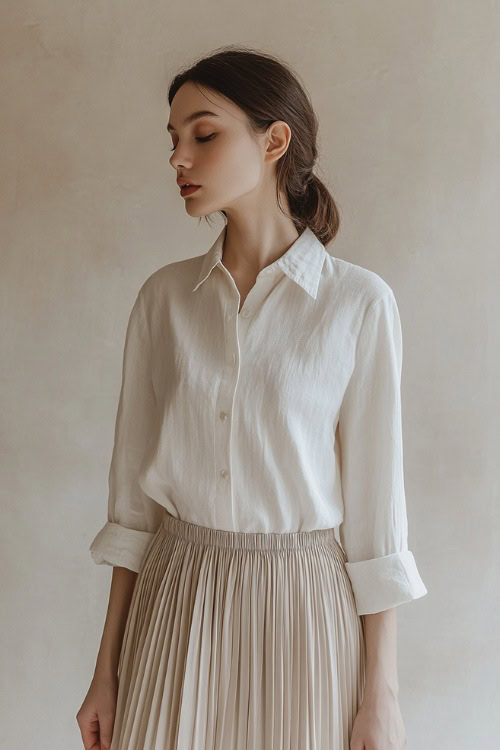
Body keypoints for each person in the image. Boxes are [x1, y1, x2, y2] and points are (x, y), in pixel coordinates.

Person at [76, 45, 428, 750]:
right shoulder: (164, 300)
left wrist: (379, 697)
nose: (178, 157)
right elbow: (132, 512)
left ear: (274, 141)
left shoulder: (358, 304)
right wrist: (105, 671)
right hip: (177, 599)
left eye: (202, 135)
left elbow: (377, 520)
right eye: (173, 140)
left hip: (307, 611)